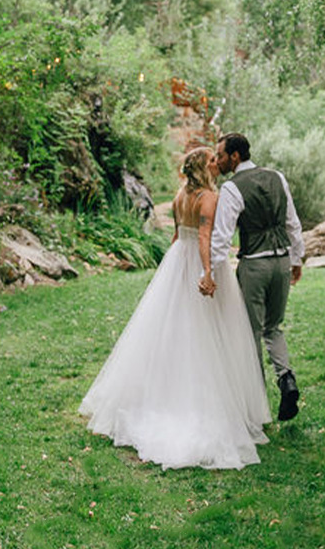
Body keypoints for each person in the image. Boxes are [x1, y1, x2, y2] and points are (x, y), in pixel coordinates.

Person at [79, 147, 271, 469]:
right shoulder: (209, 197)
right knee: (206, 332)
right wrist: (207, 272)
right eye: (211, 159)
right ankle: (201, 405)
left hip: (178, 260)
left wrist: (172, 270)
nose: (216, 163)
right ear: (202, 167)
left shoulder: (182, 194)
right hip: (197, 260)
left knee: (172, 329)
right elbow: (204, 236)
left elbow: (177, 235)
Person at [202, 132, 305, 422]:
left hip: (255, 267)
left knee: (250, 334)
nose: (218, 161)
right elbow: (292, 223)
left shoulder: (233, 189)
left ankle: (256, 405)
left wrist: (208, 273)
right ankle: (286, 378)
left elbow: (222, 237)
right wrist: (296, 259)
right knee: (274, 327)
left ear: (235, 156)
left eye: (220, 155)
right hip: (281, 262)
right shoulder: (277, 177)